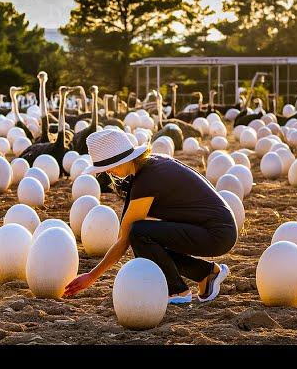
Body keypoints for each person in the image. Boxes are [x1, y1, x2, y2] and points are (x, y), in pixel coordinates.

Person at [64, 128, 237, 304]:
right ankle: (206, 274)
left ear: (122, 160)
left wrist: (92, 276)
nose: (108, 172)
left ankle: (178, 291)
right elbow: (125, 233)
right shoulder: (147, 168)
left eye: (108, 167)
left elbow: (126, 239)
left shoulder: (146, 180)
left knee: (139, 234)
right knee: (144, 241)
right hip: (217, 229)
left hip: (217, 234)